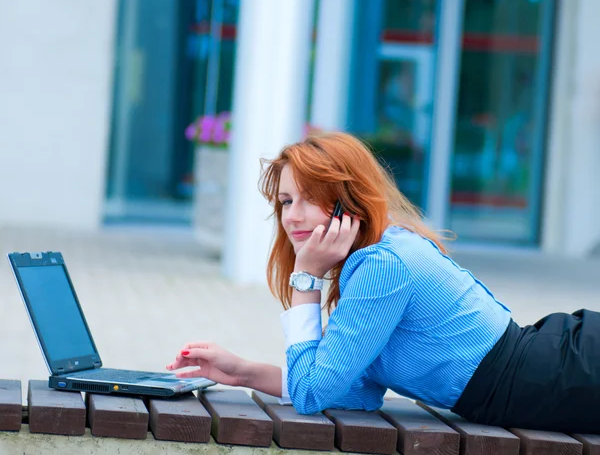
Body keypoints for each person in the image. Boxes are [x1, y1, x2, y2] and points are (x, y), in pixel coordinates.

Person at [167, 130, 600, 434]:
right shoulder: (370, 265)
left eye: (311, 198)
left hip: (565, 375)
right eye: (285, 201)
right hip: (556, 368)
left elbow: (312, 393)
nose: (293, 216)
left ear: (347, 202)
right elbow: (351, 390)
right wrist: (243, 373)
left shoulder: (382, 265)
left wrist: (307, 279)